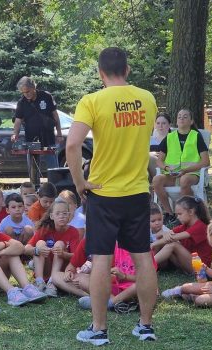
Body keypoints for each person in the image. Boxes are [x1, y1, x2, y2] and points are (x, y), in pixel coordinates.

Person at [66, 47, 158, 345]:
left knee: (102, 260)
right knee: (143, 258)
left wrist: (80, 183)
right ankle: (145, 326)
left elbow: (72, 146)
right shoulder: (148, 99)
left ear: (99, 72)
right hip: (136, 191)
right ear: (127, 69)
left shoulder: (91, 101)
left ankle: (99, 330)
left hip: (104, 192)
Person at [152, 109, 210, 226]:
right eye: (179, 117)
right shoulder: (169, 137)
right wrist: (167, 169)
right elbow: (159, 161)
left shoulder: (196, 137)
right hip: (172, 174)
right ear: (176, 121)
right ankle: (170, 214)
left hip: (192, 174)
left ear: (191, 121)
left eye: (185, 116)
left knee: (184, 180)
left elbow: (205, 161)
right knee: (156, 180)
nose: (181, 118)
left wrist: (185, 171)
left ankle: (184, 214)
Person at [161, 220, 212, 307]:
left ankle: (192, 296)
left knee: (201, 300)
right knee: (186, 287)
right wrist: (207, 269)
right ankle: (182, 292)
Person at [25, 199, 80, 297]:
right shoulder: (45, 229)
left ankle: (52, 283)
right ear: (52, 216)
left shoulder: (73, 231)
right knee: (40, 243)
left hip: (61, 273)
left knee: (59, 244)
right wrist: (38, 250)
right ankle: (39, 282)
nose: (61, 216)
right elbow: (26, 248)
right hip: (46, 267)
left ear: (69, 216)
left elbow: (77, 257)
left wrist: (63, 254)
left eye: (64, 213)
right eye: (58, 213)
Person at [12, 76, 63, 171]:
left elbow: (55, 116)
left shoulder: (46, 96)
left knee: (53, 167)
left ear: (33, 87)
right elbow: (18, 120)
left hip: (48, 137)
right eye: (23, 92)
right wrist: (15, 134)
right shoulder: (21, 102)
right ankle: (34, 185)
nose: (25, 94)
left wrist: (59, 134)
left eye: (27, 91)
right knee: (33, 168)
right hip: (31, 140)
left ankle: (54, 184)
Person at [152, 196, 212, 271]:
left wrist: (153, 244)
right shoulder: (184, 226)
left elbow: (173, 237)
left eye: (180, 214)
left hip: (200, 268)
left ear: (190, 212)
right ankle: (156, 267)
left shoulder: (200, 226)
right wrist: (164, 234)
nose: (177, 217)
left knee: (173, 244)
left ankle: (147, 266)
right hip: (187, 262)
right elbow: (159, 235)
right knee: (162, 239)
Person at [148, 112, 171, 179]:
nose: (160, 126)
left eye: (163, 123)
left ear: (169, 125)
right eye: (158, 123)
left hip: (164, 167)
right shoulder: (149, 140)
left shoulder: (173, 139)